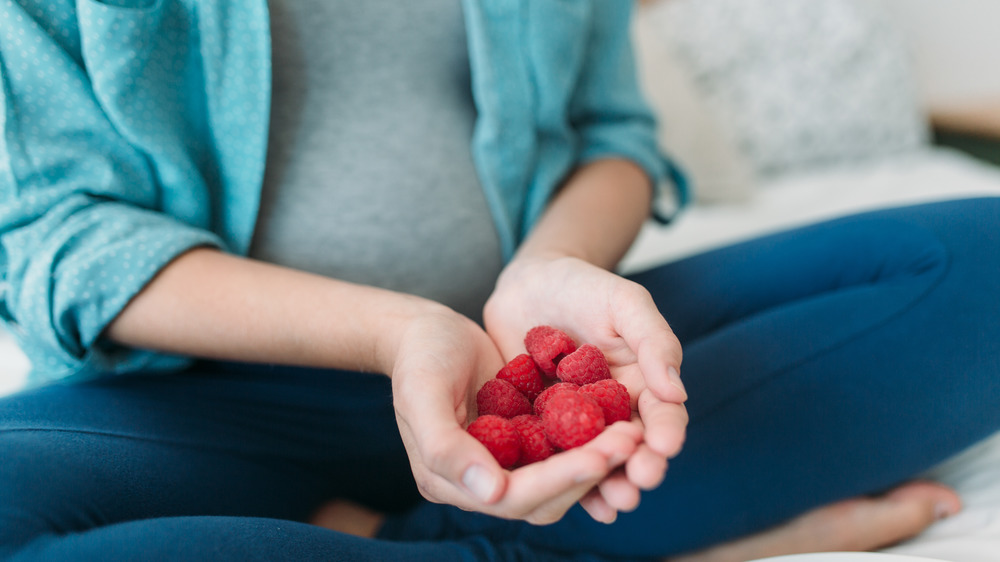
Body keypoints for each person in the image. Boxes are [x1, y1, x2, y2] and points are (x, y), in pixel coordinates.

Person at [0, 1, 996, 560]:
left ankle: (409, 535)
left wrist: (548, 268)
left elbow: (612, 138)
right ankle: (669, 545)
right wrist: (400, 333)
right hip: (212, 397)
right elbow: (61, 235)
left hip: (526, 358)